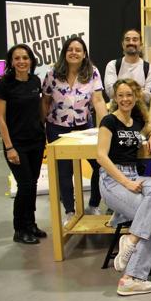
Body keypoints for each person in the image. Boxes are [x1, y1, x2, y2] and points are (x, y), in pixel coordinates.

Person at [96, 78, 151, 296]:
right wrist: (125, 182)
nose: (125, 99)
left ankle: (131, 239)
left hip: (134, 175)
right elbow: (100, 156)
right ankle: (132, 278)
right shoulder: (109, 121)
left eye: (129, 95)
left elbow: (149, 130)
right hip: (112, 180)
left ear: (135, 97)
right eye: (121, 95)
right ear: (115, 98)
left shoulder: (136, 123)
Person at [41, 37, 108, 223]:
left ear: (84, 53)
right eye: (70, 49)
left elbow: (98, 100)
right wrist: (40, 126)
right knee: (64, 171)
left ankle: (93, 205)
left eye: (78, 50)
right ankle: (69, 211)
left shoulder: (92, 72)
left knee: (100, 165)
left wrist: (105, 128)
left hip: (83, 128)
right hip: (56, 127)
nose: (74, 52)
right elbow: (45, 101)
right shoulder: (52, 73)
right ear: (64, 52)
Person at [0, 44, 47, 244]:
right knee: (24, 185)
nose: (22, 61)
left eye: (25, 57)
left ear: (31, 60)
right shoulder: (4, 85)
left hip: (36, 141)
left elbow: (39, 111)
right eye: (17, 58)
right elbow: (1, 119)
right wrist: (9, 147)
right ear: (11, 62)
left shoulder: (35, 81)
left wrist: (44, 132)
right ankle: (19, 229)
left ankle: (31, 224)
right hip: (16, 145)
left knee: (32, 184)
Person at [104, 29, 151, 104]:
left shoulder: (150, 68)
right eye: (127, 40)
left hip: (141, 114)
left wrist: (121, 91)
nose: (131, 42)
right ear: (123, 45)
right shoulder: (112, 65)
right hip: (117, 112)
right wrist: (139, 90)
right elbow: (111, 92)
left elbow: (149, 97)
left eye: (135, 40)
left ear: (141, 45)